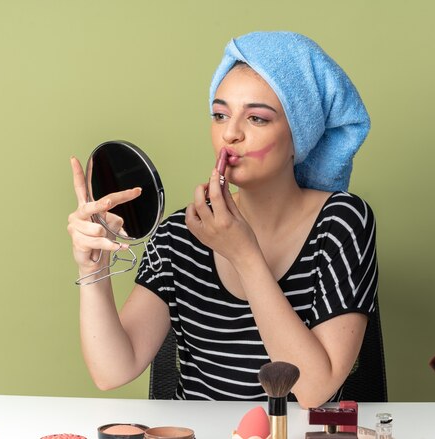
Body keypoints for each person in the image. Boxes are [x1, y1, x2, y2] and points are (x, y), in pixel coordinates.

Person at [67, 31, 378, 408]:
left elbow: (314, 391)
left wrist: (244, 255)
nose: (230, 133)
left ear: (300, 135)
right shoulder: (179, 234)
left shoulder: (342, 222)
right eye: (219, 114)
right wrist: (94, 271)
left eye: (257, 119)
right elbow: (111, 371)